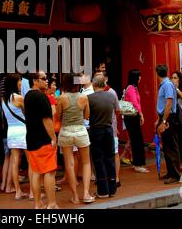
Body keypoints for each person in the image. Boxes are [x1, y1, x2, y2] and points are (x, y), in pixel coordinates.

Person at [56, 73, 95, 204]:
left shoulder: (61, 98)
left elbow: (59, 116)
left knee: (69, 164)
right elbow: (87, 115)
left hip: (66, 130)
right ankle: (86, 193)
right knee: (86, 162)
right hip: (80, 130)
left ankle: (75, 196)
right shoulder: (84, 97)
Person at [24, 71, 59, 209]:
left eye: (47, 79)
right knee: (49, 172)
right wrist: (53, 138)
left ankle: (38, 204)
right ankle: (52, 203)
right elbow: (47, 119)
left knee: (36, 172)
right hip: (43, 140)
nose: (47, 81)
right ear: (35, 81)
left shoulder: (28, 96)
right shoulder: (41, 97)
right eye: (44, 79)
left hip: (31, 139)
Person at [87, 74, 121, 198]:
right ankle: (112, 188)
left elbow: (86, 115)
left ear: (94, 84)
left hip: (96, 129)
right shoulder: (111, 95)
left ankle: (103, 190)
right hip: (109, 128)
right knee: (110, 158)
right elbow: (118, 110)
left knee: (98, 159)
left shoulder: (89, 98)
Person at [1, 73, 32, 200]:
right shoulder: (19, 98)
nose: (21, 83)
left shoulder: (3, 99)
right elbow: (28, 113)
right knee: (31, 162)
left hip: (11, 132)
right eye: (19, 81)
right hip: (23, 131)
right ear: (14, 83)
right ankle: (32, 192)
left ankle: (18, 191)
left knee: (15, 162)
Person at [155, 65, 180, 184]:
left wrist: (164, 121)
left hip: (169, 118)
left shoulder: (167, 85)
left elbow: (169, 103)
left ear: (157, 74)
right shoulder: (165, 85)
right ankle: (170, 172)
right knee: (167, 146)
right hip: (165, 117)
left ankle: (175, 174)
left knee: (171, 146)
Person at [123, 69, 149, 173]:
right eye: (139, 76)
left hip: (133, 116)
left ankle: (138, 163)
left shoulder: (133, 88)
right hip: (132, 117)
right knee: (136, 140)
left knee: (137, 139)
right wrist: (141, 114)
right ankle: (137, 164)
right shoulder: (131, 88)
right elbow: (135, 103)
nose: (140, 78)